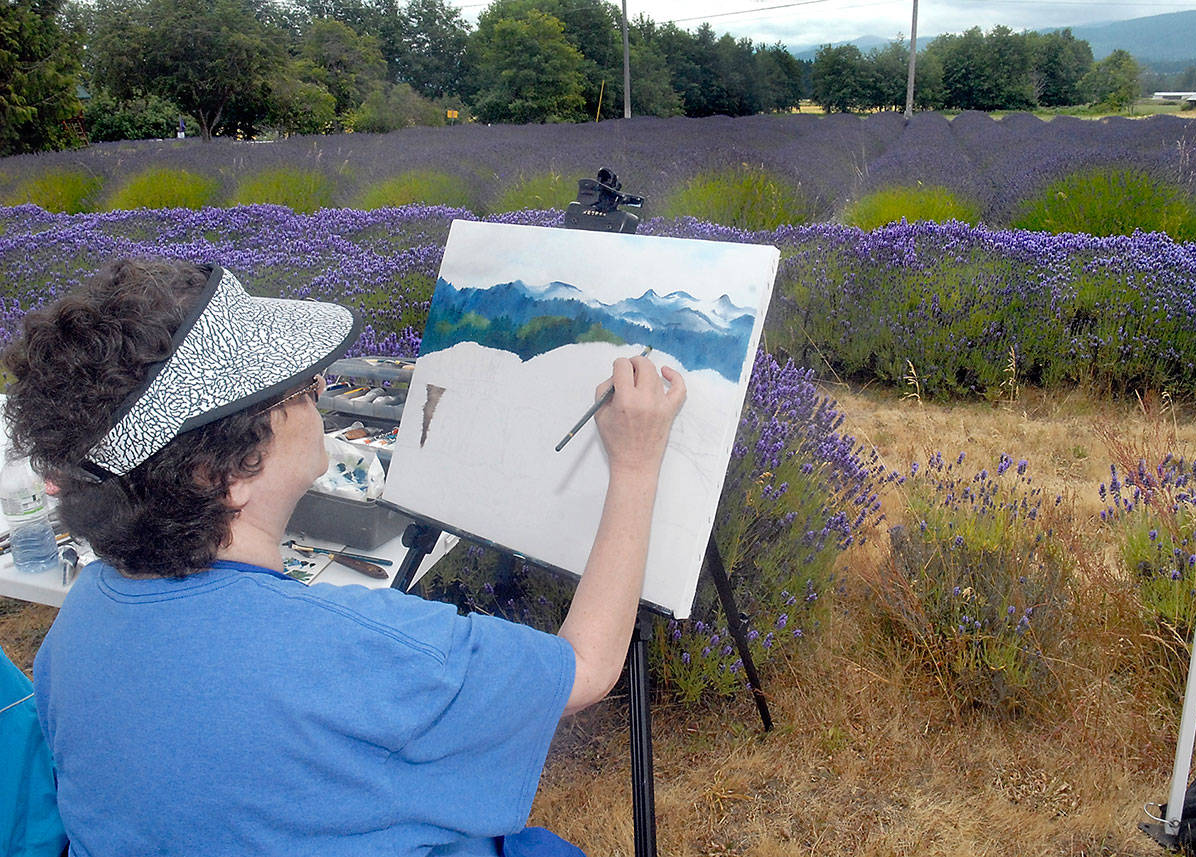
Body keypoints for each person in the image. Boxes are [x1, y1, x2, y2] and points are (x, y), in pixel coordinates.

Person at [2, 257, 686, 856]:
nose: (323, 392)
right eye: (298, 390)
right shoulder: (365, 652)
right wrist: (635, 466)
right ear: (226, 473)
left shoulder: (79, 623)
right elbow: (588, 669)